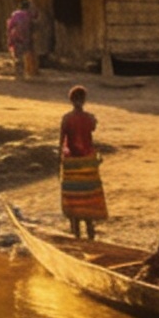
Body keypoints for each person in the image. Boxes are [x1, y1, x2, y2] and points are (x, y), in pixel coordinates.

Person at [57, 86, 108, 237]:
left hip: (72, 162)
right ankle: (90, 231)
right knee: (89, 197)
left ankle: (76, 234)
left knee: (74, 198)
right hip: (87, 162)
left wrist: (58, 162)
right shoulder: (89, 118)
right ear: (84, 100)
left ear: (71, 100)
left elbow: (61, 141)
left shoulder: (66, 118)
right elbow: (92, 129)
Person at [6, 0, 39, 80]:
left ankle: (20, 73)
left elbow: (10, 26)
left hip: (18, 37)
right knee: (29, 53)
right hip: (27, 37)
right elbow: (35, 21)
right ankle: (31, 71)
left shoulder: (16, 15)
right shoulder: (30, 14)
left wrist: (9, 37)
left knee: (19, 57)